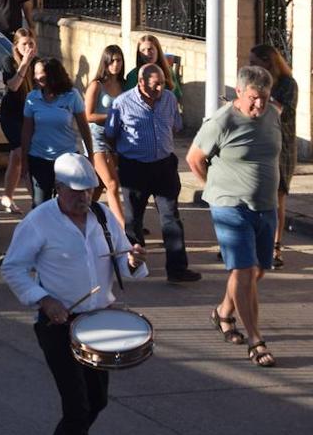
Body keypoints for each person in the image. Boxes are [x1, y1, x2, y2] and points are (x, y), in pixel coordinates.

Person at [2, 153, 148, 435]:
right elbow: (13, 268)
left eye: (89, 190)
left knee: (97, 400)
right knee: (77, 406)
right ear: (58, 187)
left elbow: (122, 259)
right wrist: (44, 299)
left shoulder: (104, 216)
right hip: (58, 325)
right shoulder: (39, 221)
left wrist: (132, 260)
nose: (84, 197)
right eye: (76, 190)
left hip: (99, 323)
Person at [187, 65, 281, 368]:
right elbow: (194, 158)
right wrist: (215, 188)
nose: (259, 104)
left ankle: (223, 312)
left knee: (257, 272)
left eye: (264, 97)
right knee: (243, 270)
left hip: (265, 206)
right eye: (254, 97)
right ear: (239, 92)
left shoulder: (273, 115)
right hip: (230, 207)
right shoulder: (222, 120)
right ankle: (256, 339)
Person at [104, 63, 201, 283]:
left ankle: (177, 269)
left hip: (164, 167)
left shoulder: (168, 99)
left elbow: (175, 125)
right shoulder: (122, 103)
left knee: (171, 218)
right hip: (134, 168)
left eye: (162, 84)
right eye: (155, 85)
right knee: (133, 220)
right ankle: (133, 266)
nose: (160, 89)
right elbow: (111, 133)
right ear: (141, 83)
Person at [248, 44, 296, 268]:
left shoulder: (287, 83)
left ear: (268, 62)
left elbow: (279, 110)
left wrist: (257, 102)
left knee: (277, 198)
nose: (250, 66)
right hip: (257, 144)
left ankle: (276, 247)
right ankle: (250, 245)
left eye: (254, 62)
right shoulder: (254, 81)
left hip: (281, 146)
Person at [22, 58, 92, 207]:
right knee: (40, 205)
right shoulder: (32, 98)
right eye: (34, 73)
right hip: (39, 159)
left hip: (68, 158)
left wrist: (90, 156)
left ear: (52, 74)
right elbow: (27, 131)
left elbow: (84, 127)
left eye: (39, 73)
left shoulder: (72, 95)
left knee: (71, 205)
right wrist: (24, 161)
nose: (35, 77)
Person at [84, 45, 128, 227]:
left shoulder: (124, 85)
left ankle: (83, 215)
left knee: (99, 185)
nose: (116, 65)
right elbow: (88, 115)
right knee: (112, 183)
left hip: (116, 138)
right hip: (96, 138)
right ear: (105, 62)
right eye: (112, 61)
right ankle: (123, 227)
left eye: (119, 60)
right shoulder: (96, 85)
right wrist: (112, 116)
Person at [0, 29, 37, 214]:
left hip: (29, 114)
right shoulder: (9, 62)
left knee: (16, 158)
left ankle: (7, 196)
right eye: (24, 44)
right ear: (16, 46)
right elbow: (13, 86)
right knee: (22, 152)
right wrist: (25, 63)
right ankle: (37, 200)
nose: (28, 47)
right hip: (11, 114)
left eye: (31, 44)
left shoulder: (38, 63)